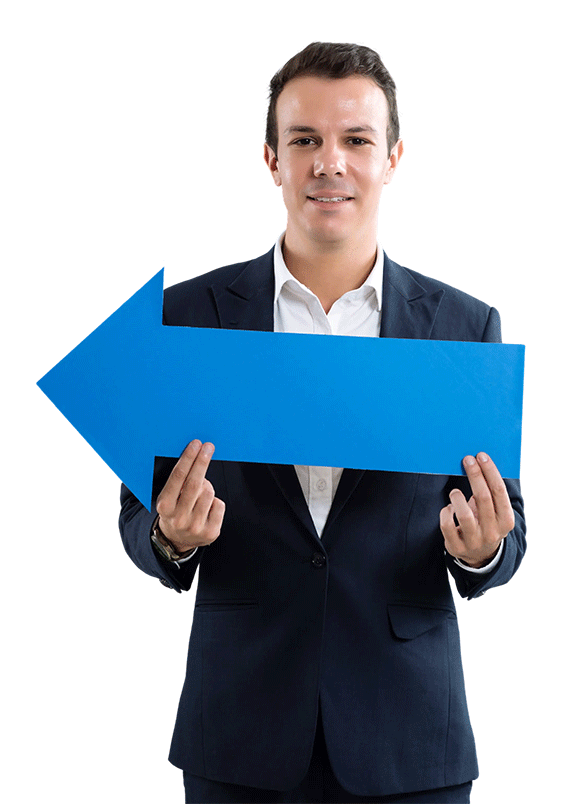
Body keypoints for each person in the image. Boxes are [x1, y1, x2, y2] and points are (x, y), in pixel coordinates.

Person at [119, 42, 526, 804]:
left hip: (409, 739)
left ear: (392, 157)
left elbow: (507, 535)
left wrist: (481, 550)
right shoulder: (188, 320)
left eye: (356, 140)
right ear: (271, 159)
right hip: (238, 729)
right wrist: (170, 535)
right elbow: (136, 516)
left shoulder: (464, 330)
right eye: (303, 139)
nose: (328, 162)